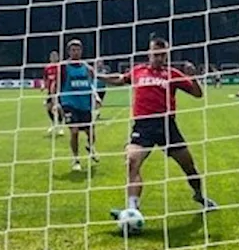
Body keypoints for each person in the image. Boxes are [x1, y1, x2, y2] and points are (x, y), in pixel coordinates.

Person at [99, 37, 217, 219]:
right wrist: (99, 76)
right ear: (149, 53)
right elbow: (120, 79)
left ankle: (200, 196)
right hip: (143, 126)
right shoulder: (138, 71)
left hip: (167, 126)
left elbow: (197, 94)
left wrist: (192, 76)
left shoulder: (172, 74)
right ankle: (132, 209)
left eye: (163, 55)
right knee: (132, 162)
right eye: (156, 54)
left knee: (189, 166)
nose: (159, 58)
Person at [58, 39, 100, 172]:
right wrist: (55, 102)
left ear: (81, 51)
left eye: (78, 50)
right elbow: (56, 85)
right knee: (74, 131)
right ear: (69, 52)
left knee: (91, 132)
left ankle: (91, 147)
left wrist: (96, 96)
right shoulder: (63, 67)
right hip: (69, 103)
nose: (76, 52)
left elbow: (91, 84)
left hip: (84, 104)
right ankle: (75, 159)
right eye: (73, 50)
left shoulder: (87, 68)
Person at [43, 50, 64, 136]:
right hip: (50, 91)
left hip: (59, 90)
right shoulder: (47, 67)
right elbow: (45, 78)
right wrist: (44, 86)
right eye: (52, 56)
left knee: (59, 108)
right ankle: (53, 124)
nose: (54, 58)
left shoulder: (60, 67)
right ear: (50, 58)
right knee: (49, 108)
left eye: (55, 56)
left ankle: (61, 127)